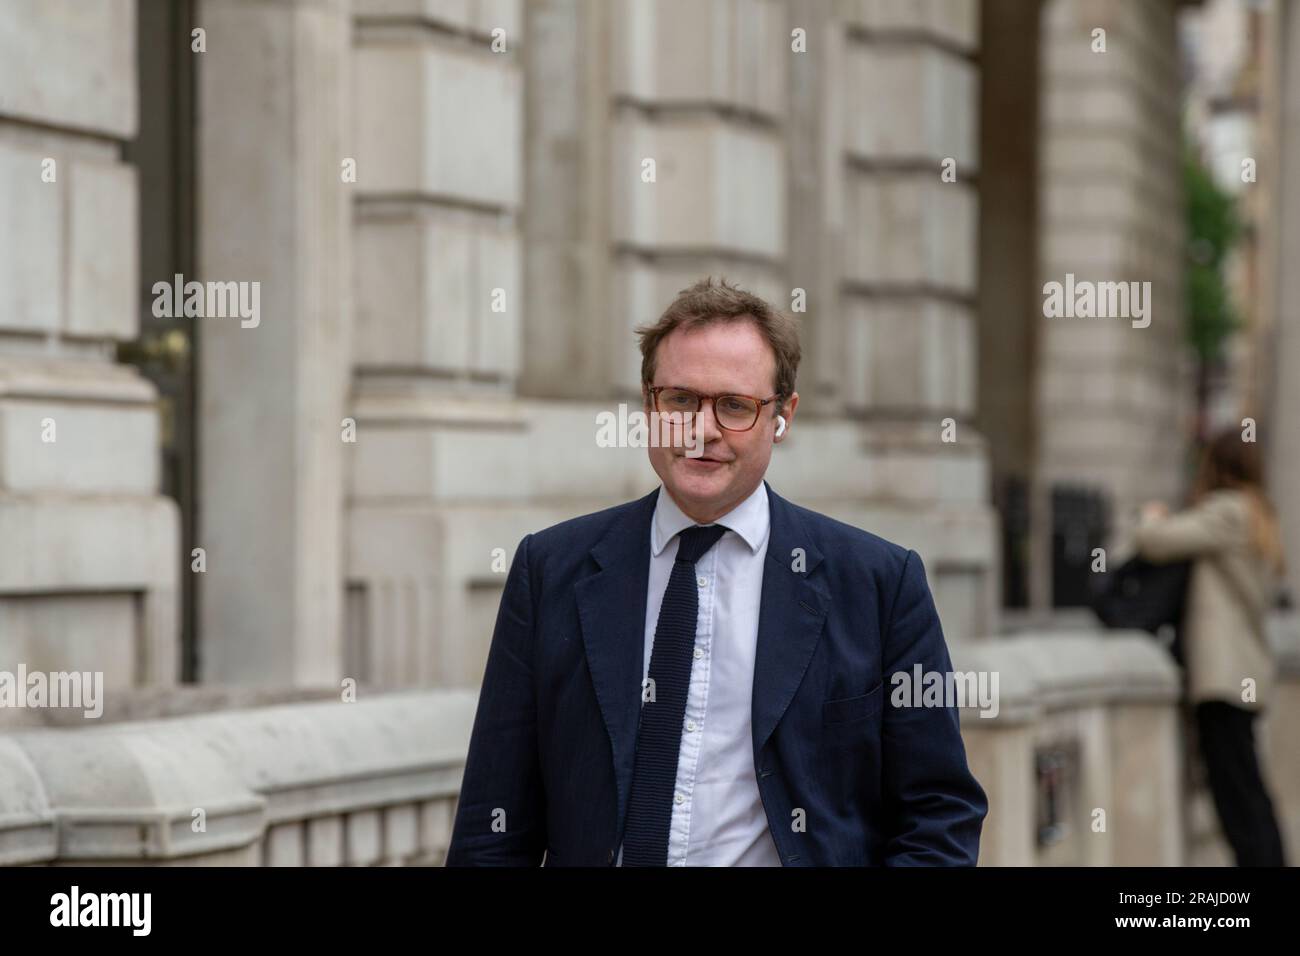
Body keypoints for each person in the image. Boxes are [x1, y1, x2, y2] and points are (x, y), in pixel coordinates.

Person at [445, 277, 987, 866]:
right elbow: (491, 828)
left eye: (734, 406)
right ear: (649, 404)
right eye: (680, 399)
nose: (702, 430)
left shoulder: (880, 585)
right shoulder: (550, 571)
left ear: (783, 416)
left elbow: (938, 817)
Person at [1135, 429, 1288, 866]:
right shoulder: (1260, 514)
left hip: (1222, 678)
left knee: (1236, 795)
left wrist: (1150, 516)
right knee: (1248, 788)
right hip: (1243, 672)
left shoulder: (1227, 511)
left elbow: (1157, 541)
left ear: (1218, 467)